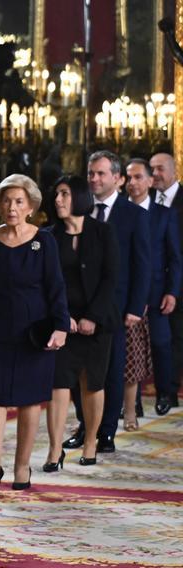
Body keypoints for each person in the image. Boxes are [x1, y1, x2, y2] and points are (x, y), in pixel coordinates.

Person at [0, 174, 69, 490]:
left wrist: (62, 326)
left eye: (19, 201)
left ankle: (22, 467)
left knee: (30, 401)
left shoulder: (45, 241)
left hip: (35, 335)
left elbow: (56, 288)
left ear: (31, 206)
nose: (12, 207)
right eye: (6, 201)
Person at [44, 175, 118, 470]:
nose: (58, 200)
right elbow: (47, 283)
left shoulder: (103, 232)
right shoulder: (49, 235)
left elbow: (111, 278)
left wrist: (92, 317)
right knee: (57, 385)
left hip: (98, 324)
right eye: (56, 194)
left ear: (79, 197)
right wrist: (65, 318)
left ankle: (90, 444)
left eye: (64, 194)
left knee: (92, 384)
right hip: (62, 324)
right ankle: (53, 450)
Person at [86, 151, 150, 452]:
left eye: (100, 174)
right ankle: (87, 427)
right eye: (91, 173)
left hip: (119, 307)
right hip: (84, 307)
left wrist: (136, 308)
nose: (94, 179)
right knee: (84, 372)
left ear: (117, 178)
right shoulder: (81, 209)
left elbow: (142, 264)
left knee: (112, 372)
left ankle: (106, 432)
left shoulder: (134, 214)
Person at [126, 157, 181, 417]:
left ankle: (165, 394)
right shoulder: (119, 213)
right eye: (129, 178)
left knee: (161, 344)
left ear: (149, 181)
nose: (133, 183)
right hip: (126, 294)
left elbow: (174, 257)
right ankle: (132, 402)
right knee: (130, 350)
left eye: (139, 177)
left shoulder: (164, 215)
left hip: (158, 293)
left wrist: (172, 291)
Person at [150, 152, 183, 409]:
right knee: (163, 338)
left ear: (173, 171)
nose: (155, 175)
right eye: (152, 170)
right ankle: (166, 392)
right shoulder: (145, 203)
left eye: (160, 169)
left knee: (176, 337)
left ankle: (170, 390)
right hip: (156, 282)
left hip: (179, 280)